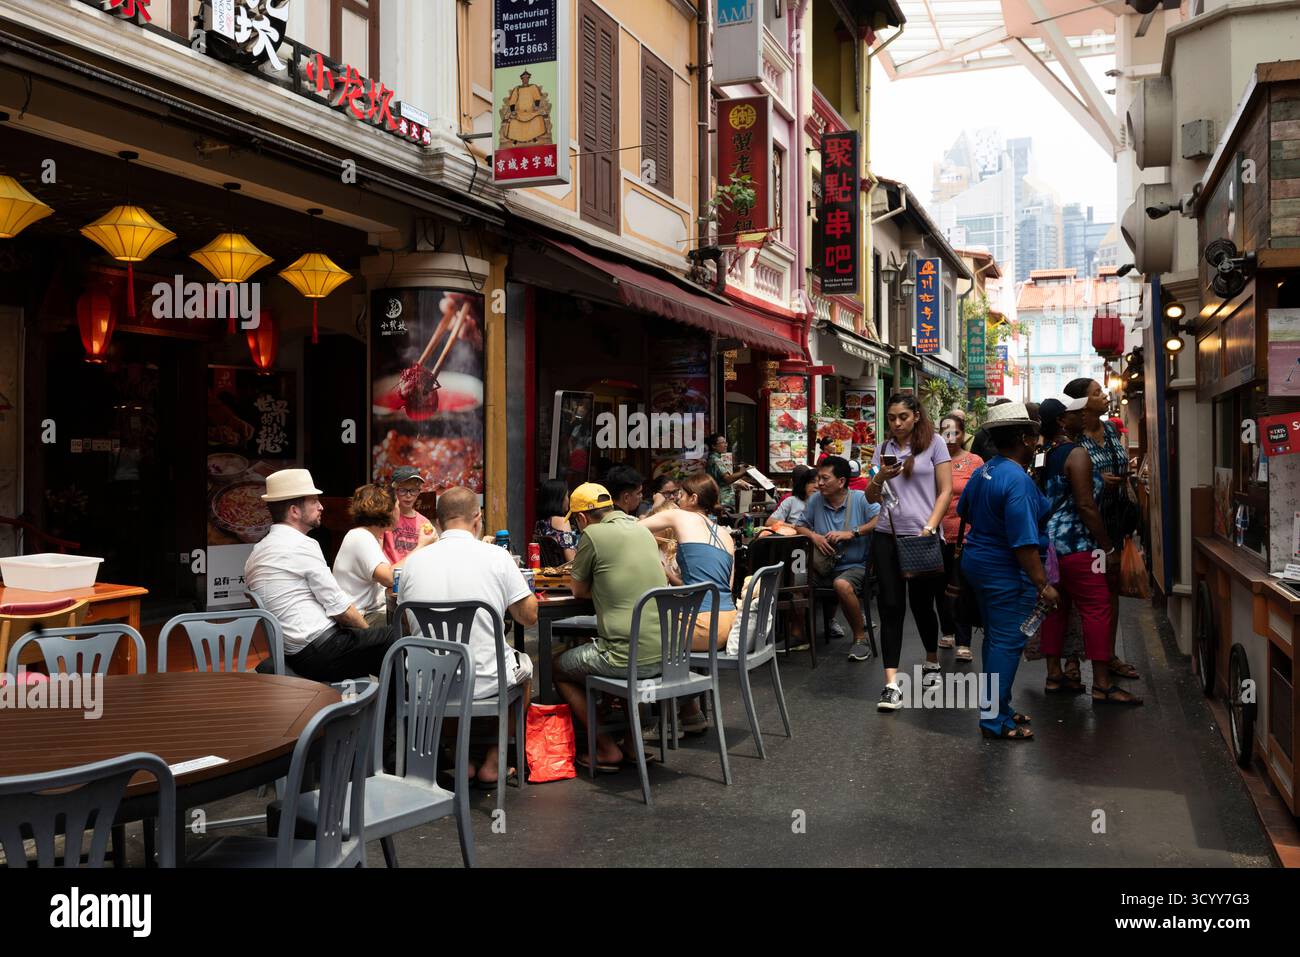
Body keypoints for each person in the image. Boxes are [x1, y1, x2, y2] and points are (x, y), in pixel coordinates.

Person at [399, 487, 539, 785]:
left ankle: (459, 757)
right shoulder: (498, 557)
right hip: (487, 681)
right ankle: (495, 760)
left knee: (446, 670)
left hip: (428, 684)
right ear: (478, 519)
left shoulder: (412, 563)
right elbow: (529, 617)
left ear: (438, 523)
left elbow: (408, 626)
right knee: (525, 670)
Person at [956, 403, 1060, 740]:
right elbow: (1024, 544)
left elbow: (965, 509)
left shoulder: (986, 469)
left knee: (995, 639)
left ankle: (997, 706)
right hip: (1004, 571)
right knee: (1006, 642)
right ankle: (994, 720)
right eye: (1033, 435)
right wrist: (1043, 585)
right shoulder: (1017, 481)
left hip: (979, 562)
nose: (1037, 441)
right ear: (1023, 439)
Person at [244, 469, 400, 682]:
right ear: (294, 511)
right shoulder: (301, 545)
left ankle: (379, 699)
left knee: (379, 642)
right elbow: (342, 611)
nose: (321, 506)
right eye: (314, 501)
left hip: (294, 650)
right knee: (395, 638)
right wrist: (369, 635)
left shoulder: (257, 552)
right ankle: (399, 704)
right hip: (320, 651)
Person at [553, 483, 668, 771]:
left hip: (625, 659)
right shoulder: (641, 529)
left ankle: (605, 747)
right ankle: (630, 743)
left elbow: (578, 590)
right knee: (625, 644)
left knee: (558, 668)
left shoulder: (592, 534)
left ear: (581, 518)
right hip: (667, 654)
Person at [1036, 397, 1142, 705]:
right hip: (1080, 545)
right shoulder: (1076, 453)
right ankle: (1103, 684)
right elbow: (1085, 505)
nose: (1082, 415)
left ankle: (1054, 675)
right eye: (1074, 413)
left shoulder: (1044, 454)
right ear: (1061, 421)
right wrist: (1107, 546)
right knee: (1098, 608)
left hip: (1050, 546)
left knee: (1055, 610)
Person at [868, 394, 953, 710]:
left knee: (922, 605)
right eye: (891, 417)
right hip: (886, 535)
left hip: (922, 536)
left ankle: (931, 658)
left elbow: (945, 491)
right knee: (890, 607)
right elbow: (871, 497)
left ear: (916, 415)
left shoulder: (935, 444)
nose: (897, 423)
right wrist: (880, 476)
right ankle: (891, 684)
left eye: (902, 416)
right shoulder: (883, 448)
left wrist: (930, 526)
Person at [637, 473, 737, 735]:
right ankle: (689, 712)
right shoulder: (726, 535)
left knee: (641, 637)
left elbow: (635, 529)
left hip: (702, 625)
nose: (676, 498)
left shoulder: (680, 516)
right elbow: (721, 586)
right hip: (728, 621)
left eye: (680, 494)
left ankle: (658, 721)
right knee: (666, 631)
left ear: (693, 498)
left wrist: (655, 503)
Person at [1064, 377, 1141, 682]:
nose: (1104, 395)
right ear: (1082, 404)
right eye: (1097, 393)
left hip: (1114, 520)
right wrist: (1096, 480)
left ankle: (1108, 655)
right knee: (1080, 592)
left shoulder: (1110, 430)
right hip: (1085, 525)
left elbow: (1121, 465)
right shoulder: (1072, 439)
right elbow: (1067, 483)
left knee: (1111, 588)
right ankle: (1072, 660)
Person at [796, 456, 881, 662]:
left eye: (825, 479)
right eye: (818, 478)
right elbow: (800, 525)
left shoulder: (860, 498)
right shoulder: (816, 500)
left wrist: (853, 532)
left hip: (857, 565)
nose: (819, 483)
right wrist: (814, 537)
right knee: (795, 578)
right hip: (824, 566)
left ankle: (860, 639)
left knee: (842, 584)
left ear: (841, 481)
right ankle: (799, 636)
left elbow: (880, 520)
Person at [332, 484, 436, 628]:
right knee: (418, 625)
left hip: (370, 612)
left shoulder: (367, 536)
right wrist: (421, 546)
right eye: (397, 505)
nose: (400, 510)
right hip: (363, 618)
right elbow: (389, 578)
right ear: (389, 510)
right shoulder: (361, 537)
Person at [935, 415, 984, 662]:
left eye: (955, 432)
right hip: (936, 533)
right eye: (945, 432)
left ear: (963, 434)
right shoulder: (933, 460)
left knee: (962, 587)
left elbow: (982, 496)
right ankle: (947, 630)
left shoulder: (975, 462)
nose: (950, 437)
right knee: (940, 586)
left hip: (965, 534)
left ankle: (964, 641)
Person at [383, 466, 436, 565]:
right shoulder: (385, 517)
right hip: (389, 571)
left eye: (413, 490)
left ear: (419, 492)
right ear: (394, 491)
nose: (408, 495)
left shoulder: (425, 522)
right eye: (402, 490)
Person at [533, 478, 578, 566]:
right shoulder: (562, 522)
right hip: (563, 572)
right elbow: (571, 559)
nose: (568, 500)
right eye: (567, 496)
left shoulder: (539, 523)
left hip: (547, 571)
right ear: (559, 499)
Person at [704, 433, 751, 510]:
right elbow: (727, 479)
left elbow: (720, 480)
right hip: (723, 501)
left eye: (726, 442)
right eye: (722, 443)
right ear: (713, 446)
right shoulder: (716, 460)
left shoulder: (714, 458)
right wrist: (744, 472)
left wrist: (738, 482)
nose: (726, 445)